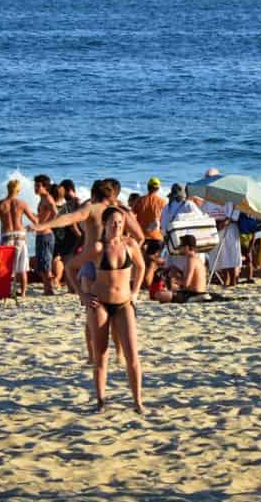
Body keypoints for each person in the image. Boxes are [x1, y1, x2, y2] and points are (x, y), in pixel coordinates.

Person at [73, 207, 145, 412]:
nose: (117, 226)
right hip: (100, 304)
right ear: (104, 224)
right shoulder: (97, 248)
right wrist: (82, 295)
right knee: (101, 355)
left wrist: (136, 291)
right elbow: (71, 267)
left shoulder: (130, 245)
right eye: (113, 222)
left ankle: (137, 401)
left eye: (120, 223)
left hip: (124, 304)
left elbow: (141, 267)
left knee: (132, 355)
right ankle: (101, 400)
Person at [0, 179, 40, 297]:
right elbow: (35, 220)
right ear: (18, 190)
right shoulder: (22, 204)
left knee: (5, 268)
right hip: (20, 236)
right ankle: (23, 293)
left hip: (6, 237)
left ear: (8, 189)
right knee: (22, 268)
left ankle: (5, 291)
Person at [32, 175, 57, 295]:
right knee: (41, 264)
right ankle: (47, 289)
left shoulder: (47, 198)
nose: (35, 188)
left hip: (46, 235)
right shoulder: (42, 199)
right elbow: (43, 216)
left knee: (45, 264)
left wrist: (47, 225)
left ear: (45, 187)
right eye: (35, 185)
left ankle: (49, 289)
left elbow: (56, 213)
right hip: (41, 234)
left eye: (38, 186)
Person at [133, 177, 167, 243]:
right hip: (157, 237)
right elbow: (165, 220)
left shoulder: (139, 200)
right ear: (158, 189)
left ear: (148, 187)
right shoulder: (162, 202)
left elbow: (132, 216)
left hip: (141, 236)